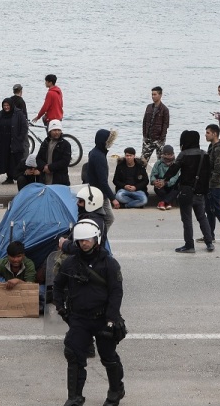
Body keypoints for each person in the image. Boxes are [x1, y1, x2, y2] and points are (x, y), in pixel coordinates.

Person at [54, 220, 125, 406]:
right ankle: (74, 397)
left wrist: (111, 320)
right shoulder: (69, 263)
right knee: (73, 355)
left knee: (108, 357)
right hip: (79, 319)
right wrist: (61, 309)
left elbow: (116, 293)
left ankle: (116, 390)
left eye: (88, 240)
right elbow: (57, 286)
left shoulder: (109, 263)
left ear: (97, 239)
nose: (84, 243)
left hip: (103, 318)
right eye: (80, 240)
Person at [164, 130, 212, 253]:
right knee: (202, 217)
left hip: (186, 191)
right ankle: (209, 242)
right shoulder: (204, 154)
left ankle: (189, 245)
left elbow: (174, 169)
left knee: (187, 219)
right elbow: (208, 174)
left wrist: (164, 179)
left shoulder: (183, 154)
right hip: (200, 192)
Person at [83, 128, 120, 226]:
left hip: (94, 191)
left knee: (98, 218)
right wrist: (113, 199)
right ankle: (100, 238)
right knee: (109, 218)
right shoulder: (99, 157)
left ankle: (99, 237)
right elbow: (103, 181)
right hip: (99, 193)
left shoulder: (94, 152)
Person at [0, 98, 28, 183]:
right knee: (6, 160)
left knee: (16, 160)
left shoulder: (18, 114)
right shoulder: (0, 114)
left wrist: (20, 139)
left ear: (11, 105)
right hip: (3, 141)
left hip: (15, 141)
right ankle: (9, 177)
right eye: (4, 106)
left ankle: (20, 177)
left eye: (7, 105)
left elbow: (24, 127)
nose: (6, 107)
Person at [37, 120, 73, 186]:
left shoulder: (65, 144)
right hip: (45, 178)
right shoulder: (45, 143)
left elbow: (65, 161)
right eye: (54, 130)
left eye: (59, 130)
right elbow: (38, 158)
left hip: (59, 180)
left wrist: (50, 168)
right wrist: (44, 167)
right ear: (50, 131)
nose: (57, 132)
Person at [141, 86, 170, 165]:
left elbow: (166, 125)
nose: (153, 96)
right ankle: (141, 177)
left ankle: (160, 177)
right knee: (142, 161)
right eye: (152, 95)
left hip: (159, 139)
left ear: (160, 95)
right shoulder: (149, 107)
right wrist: (144, 135)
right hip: (148, 139)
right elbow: (144, 121)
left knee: (161, 162)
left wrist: (162, 138)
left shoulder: (165, 109)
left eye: (155, 94)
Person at [150, 145, 179, 211]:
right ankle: (168, 203)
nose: (167, 156)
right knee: (158, 188)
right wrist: (154, 181)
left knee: (177, 187)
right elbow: (153, 175)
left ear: (172, 154)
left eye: (169, 154)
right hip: (160, 185)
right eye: (165, 154)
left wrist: (165, 183)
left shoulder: (176, 164)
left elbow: (175, 177)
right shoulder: (158, 163)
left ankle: (163, 202)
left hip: (171, 185)